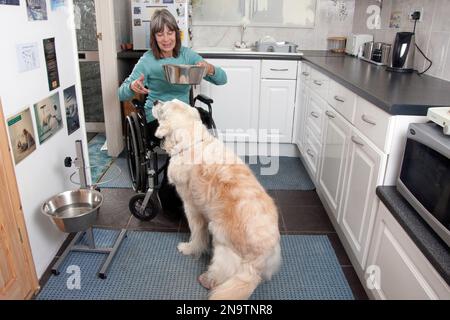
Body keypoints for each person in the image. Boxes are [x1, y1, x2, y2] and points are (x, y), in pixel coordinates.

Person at [118, 9, 227, 144]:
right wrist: (131, 86)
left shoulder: (187, 55)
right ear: (154, 37)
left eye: (170, 33)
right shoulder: (147, 60)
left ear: (176, 33)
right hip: (157, 116)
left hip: (184, 114)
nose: (166, 39)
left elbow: (223, 79)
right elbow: (121, 94)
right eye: (160, 34)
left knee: (202, 131)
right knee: (185, 136)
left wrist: (209, 68)